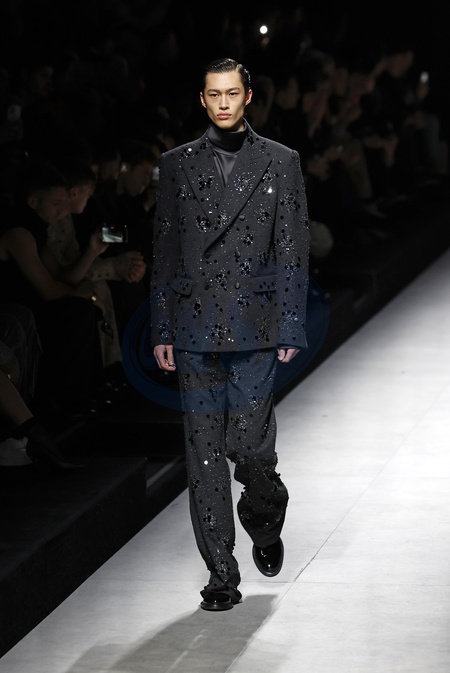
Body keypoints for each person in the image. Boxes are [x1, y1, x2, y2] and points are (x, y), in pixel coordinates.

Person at [150, 58, 309, 612]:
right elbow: (165, 248)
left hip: (254, 326)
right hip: (194, 327)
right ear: (202, 99)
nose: (223, 103)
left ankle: (264, 520)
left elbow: (292, 247)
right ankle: (221, 575)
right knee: (204, 457)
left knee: (249, 448)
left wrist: (291, 322)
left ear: (248, 97)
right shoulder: (176, 165)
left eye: (232, 93)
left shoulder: (281, 162)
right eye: (214, 94)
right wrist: (162, 325)